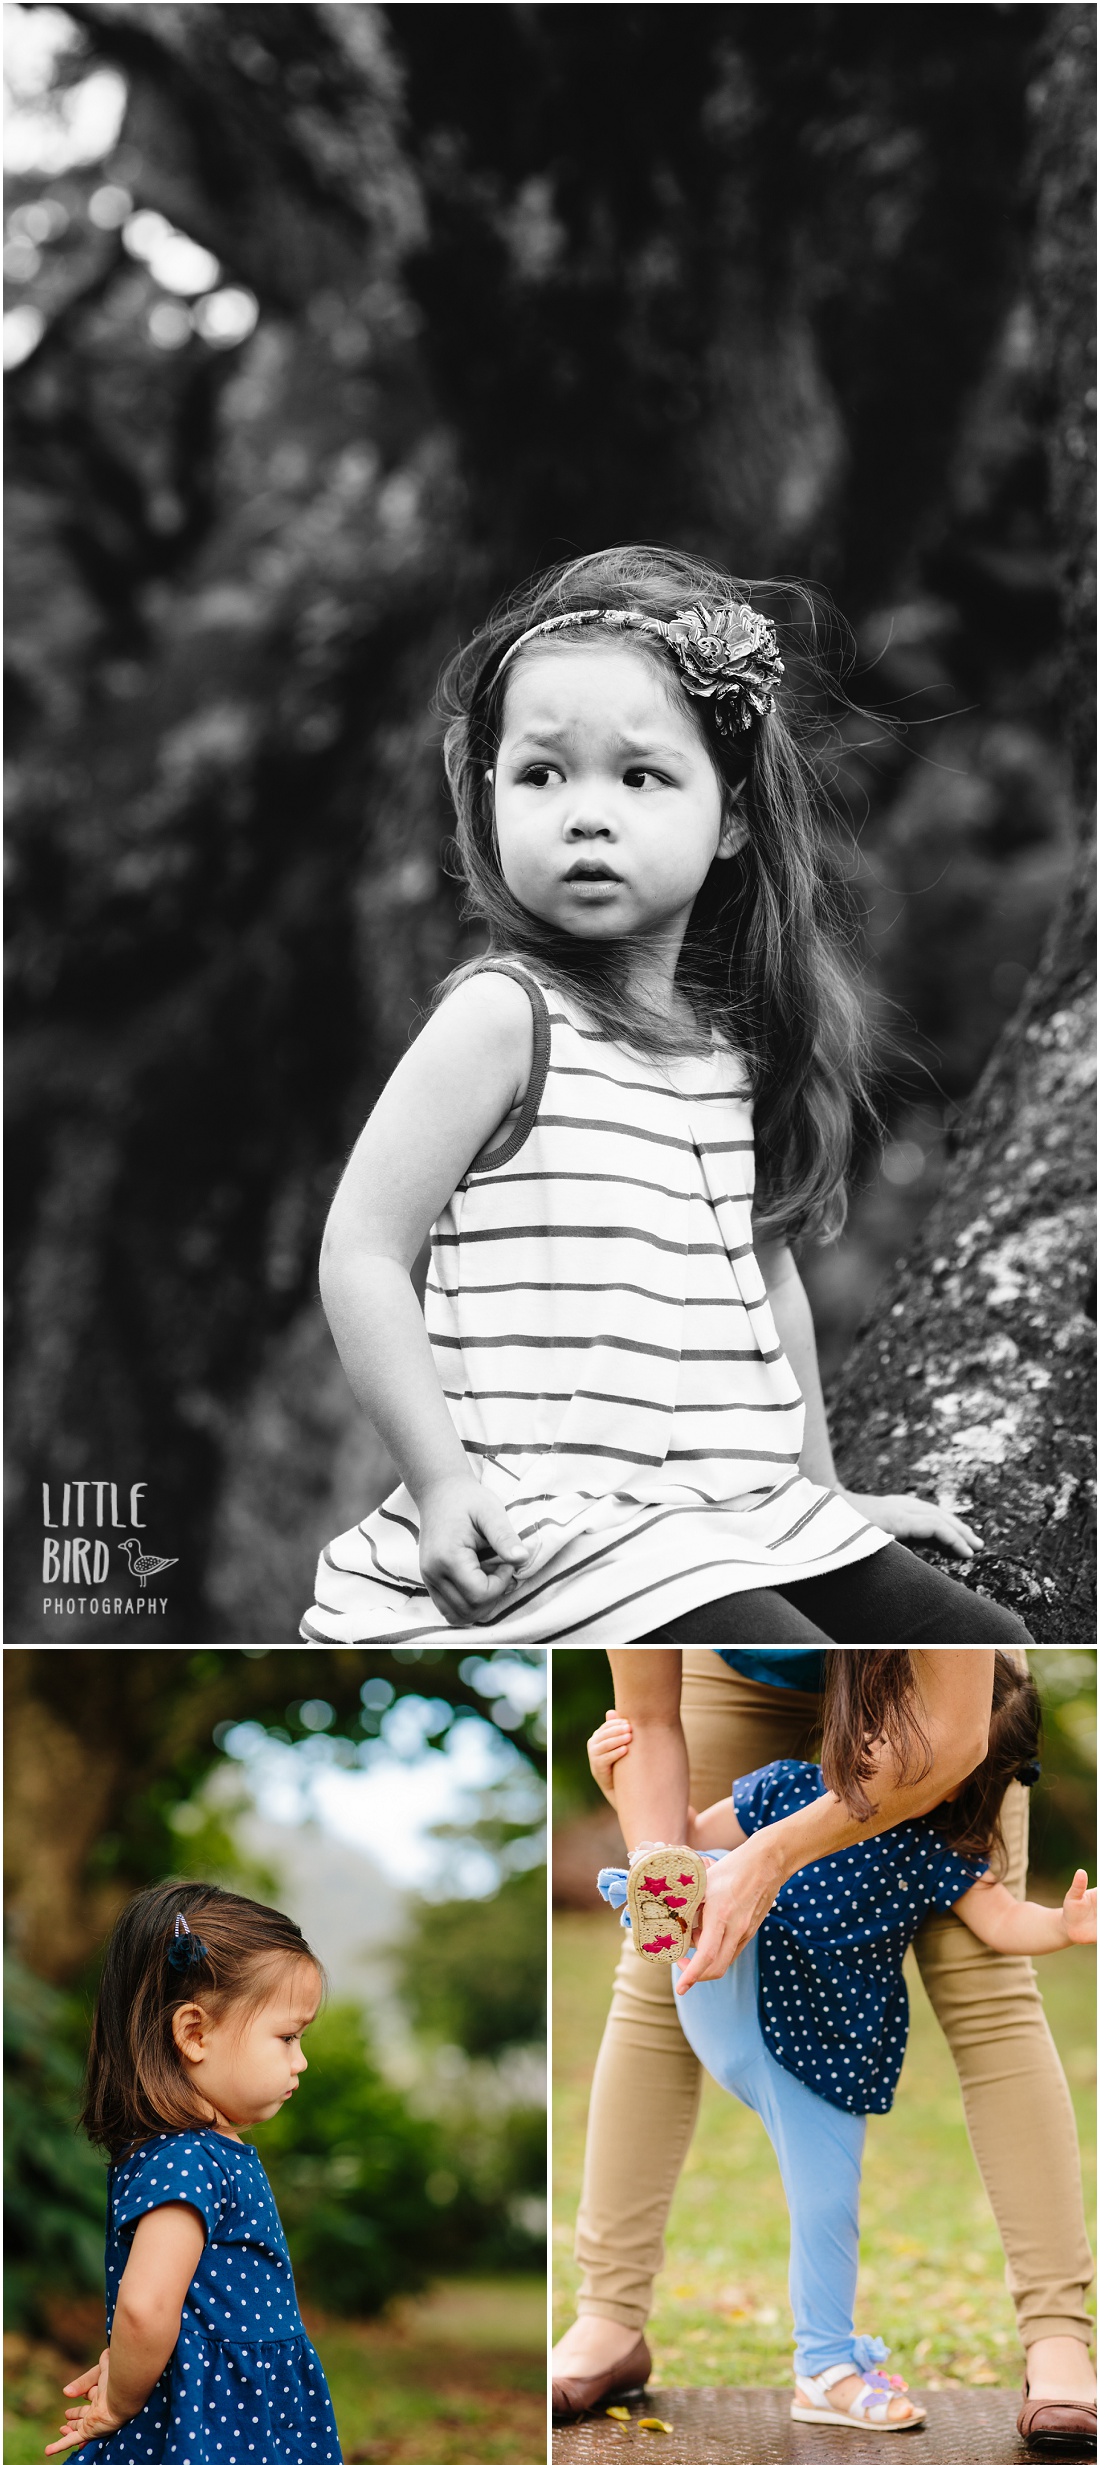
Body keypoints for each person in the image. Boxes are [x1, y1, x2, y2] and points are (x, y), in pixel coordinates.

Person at [303, 542, 1033, 1643]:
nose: (585, 815)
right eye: (540, 774)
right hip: (563, 1527)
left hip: (726, 1513)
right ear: (487, 798)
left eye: (639, 776)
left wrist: (822, 1497)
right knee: (798, 1673)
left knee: (988, 1651)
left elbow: (764, 1275)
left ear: (731, 819)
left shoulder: (724, 1053)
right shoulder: (504, 1016)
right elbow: (360, 1249)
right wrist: (443, 1483)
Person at [552, 1649, 1096, 2446]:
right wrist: (623, 1794)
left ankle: (1032, 2340)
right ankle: (607, 2319)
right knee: (676, 1888)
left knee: (978, 2009)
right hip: (733, 1997)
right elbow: (680, 1844)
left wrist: (1063, 1925)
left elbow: (1001, 1922)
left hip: (826, 2054)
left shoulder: (940, 1841)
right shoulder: (783, 1784)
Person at [47, 1882, 341, 2465]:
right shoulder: (184, 2159)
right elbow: (146, 2306)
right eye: (286, 2037)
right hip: (212, 2423)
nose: (300, 2059)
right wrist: (120, 2401)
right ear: (194, 2033)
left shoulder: (206, 2154)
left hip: (241, 2408)